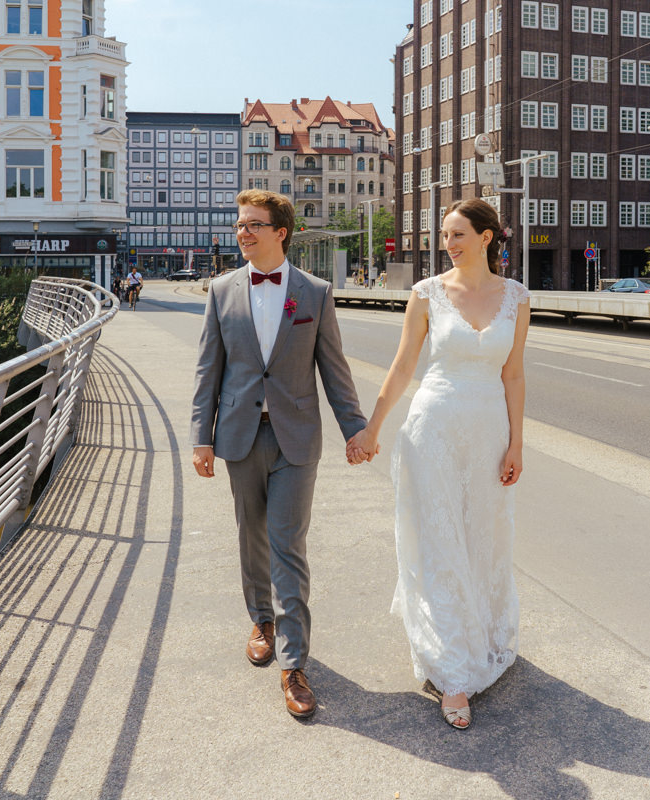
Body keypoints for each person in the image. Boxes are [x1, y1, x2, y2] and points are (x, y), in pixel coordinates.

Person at [347, 198, 530, 730]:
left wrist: (517, 444)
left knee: (485, 534)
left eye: (457, 234)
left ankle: (486, 631)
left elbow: (513, 374)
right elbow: (404, 365)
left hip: (488, 431)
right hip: (433, 429)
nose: (448, 243)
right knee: (442, 538)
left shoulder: (516, 298)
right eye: (445, 235)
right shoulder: (426, 294)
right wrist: (373, 428)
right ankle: (453, 672)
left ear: (486, 237)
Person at [190, 189, 368, 719]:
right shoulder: (221, 291)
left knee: (288, 544)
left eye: (253, 225)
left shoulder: (314, 292)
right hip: (240, 436)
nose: (242, 233)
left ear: (280, 232)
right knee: (251, 534)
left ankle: (294, 665)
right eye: (240, 225)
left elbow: (334, 369)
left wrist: (354, 429)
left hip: (296, 439)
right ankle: (261, 620)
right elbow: (208, 372)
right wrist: (202, 436)